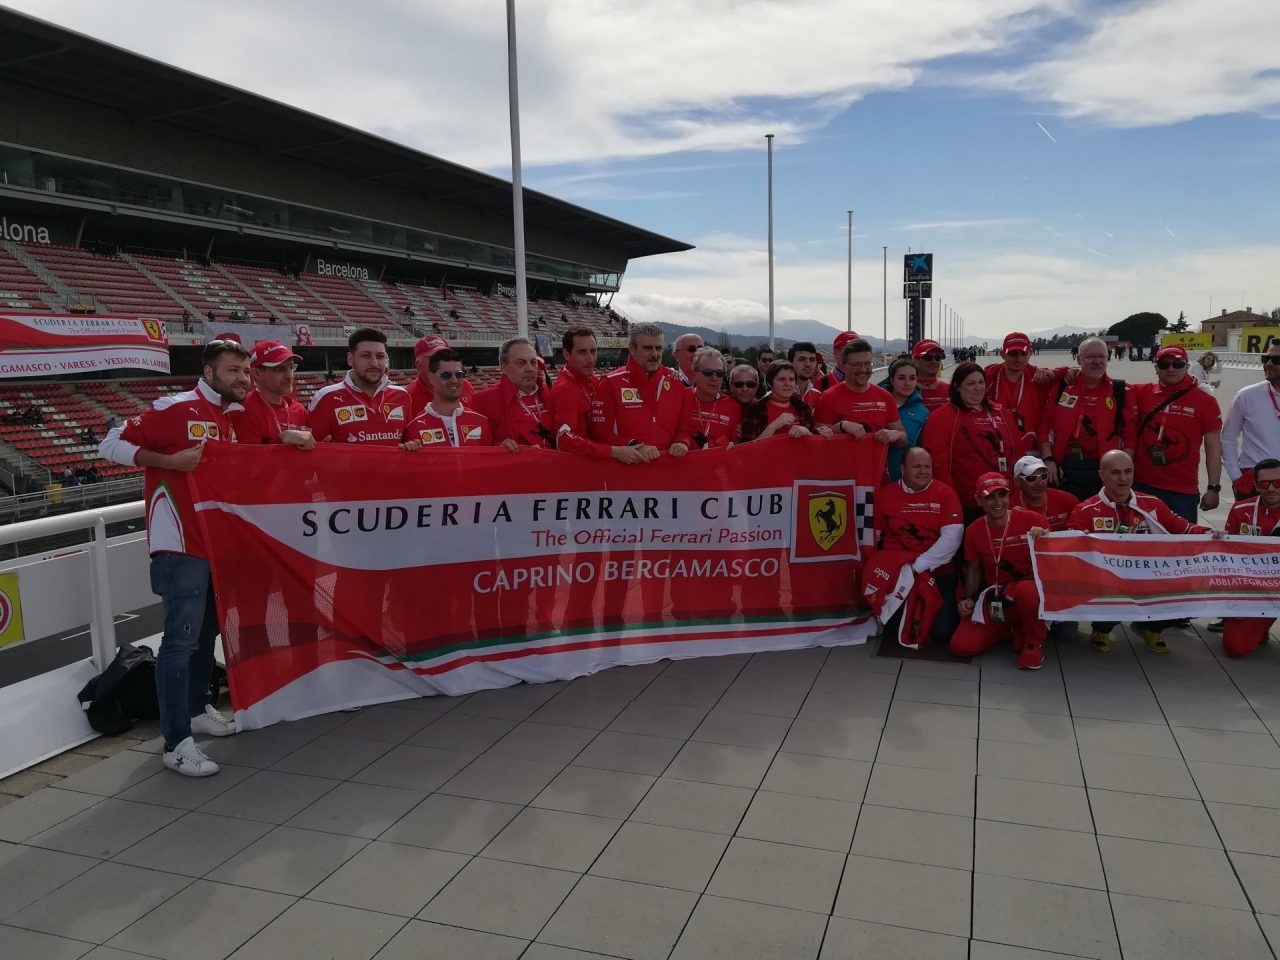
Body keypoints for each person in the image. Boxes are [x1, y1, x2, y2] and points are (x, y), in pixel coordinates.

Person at [98, 339, 247, 777]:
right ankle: (176, 742)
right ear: (208, 372)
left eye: (245, 371)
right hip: (179, 544)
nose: (242, 378)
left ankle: (199, 708)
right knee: (179, 642)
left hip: (215, 544)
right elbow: (109, 444)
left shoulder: (232, 416)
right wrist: (168, 461)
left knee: (205, 636)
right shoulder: (174, 407)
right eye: (233, 370)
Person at [1068, 449, 1218, 654]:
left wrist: (1210, 532)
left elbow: (1183, 527)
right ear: (1102, 475)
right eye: (1115, 472)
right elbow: (1068, 546)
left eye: (1128, 472)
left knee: (1190, 591)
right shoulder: (1086, 510)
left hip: (1149, 576)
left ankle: (1149, 627)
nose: (1123, 478)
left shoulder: (1152, 504)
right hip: (1106, 579)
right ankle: (1101, 628)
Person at [861, 448, 964, 649]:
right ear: (902, 469)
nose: (923, 471)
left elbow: (952, 539)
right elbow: (872, 536)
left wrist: (917, 566)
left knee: (942, 633)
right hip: (895, 573)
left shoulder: (946, 494)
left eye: (927, 466)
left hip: (935, 572)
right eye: (917, 466)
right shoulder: (885, 494)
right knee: (892, 629)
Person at [951, 472, 1051, 670]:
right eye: (990, 497)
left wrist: (1046, 539)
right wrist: (969, 597)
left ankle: (1033, 643)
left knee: (1026, 591)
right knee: (961, 646)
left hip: (1029, 593)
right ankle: (1012, 629)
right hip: (997, 597)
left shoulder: (1034, 521)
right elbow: (973, 568)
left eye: (1002, 495)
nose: (998, 502)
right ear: (978, 500)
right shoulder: (973, 530)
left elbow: (1053, 565)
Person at [1123, 344, 1222, 523]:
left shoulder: (1205, 401)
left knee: (1181, 547)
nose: (1170, 369)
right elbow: (1103, 384)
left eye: (1177, 364)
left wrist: (1213, 488)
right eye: (1164, 364)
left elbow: (1213, 448)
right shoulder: (1141, 392)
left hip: (1181, 491)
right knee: (1139, 545)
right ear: (1156, 368)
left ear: (1186, 366)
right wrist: (1069, 372)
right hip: (1141, 486)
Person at [921, 360, 1021, 523]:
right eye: (971, 383)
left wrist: (1018, 492)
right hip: (968, 502)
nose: (978, 387)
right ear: (958, 386)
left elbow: (1018, 451)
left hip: (1004, 498)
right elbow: (937, 464)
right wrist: (950, 499)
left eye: (981, 382)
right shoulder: (942, 416)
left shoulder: (1001, 412)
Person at [1039, 336, 1126, 503]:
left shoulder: (1119, 390)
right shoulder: (1062, 387)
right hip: (1064, 469)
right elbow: (1045, 427)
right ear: (1079, 359)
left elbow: (1128, 435)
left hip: (1102, 472)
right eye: (1091, 357)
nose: (1097, 361)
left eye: (1102, 356)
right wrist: (1048, 460)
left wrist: (1122, 472)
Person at [550, 327, 656, 463]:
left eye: (593, 351)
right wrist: (614, 452)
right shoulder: (565, 389)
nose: (590, 359)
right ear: (566, 355)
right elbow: (565, 441)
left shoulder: (593, 380)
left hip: (596, 463)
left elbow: (600, 431)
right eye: (582, 352)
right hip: (580, 469)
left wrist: (630, 443)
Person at [307, 328, 415, 447]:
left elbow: (409, 444)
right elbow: (309, 450)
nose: (374, 363)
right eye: (366, 356)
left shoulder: (402, 396)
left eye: (380, 356)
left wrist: (412, 445)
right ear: (350, 359)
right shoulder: (326, 397)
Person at [597, 322, 692, 456]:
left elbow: (684, 429)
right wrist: (633, 445)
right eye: (647, 348)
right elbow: (599, 433)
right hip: (627, 470)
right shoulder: (610, 383)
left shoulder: (675, 382)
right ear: (632, 348)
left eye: (658, 348)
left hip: (667, 469)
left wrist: (682, 442)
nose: (655, 354)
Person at [1221, 459, 1280, 658]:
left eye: (1277, 483)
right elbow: (1228, 555)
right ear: (1255, 485)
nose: (1271, 488)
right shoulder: (1240, 510)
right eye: (1264, 484)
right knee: (1235, 648)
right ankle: (1260, 624)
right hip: (1256, 589)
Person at [814, 338, 907, 448]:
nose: (863, 369)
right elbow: (817, 441)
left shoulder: (885, 397)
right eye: (857, 364)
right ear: (843, 366)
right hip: (839, 465)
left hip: (876, 465)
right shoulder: (827, 398)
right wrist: (841, 426)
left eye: (868, 364)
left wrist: (896, 435)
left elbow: (903, 439)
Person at [472, 337, 556, 450]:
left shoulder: (550, 393)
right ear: (504, 367)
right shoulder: (483, 401)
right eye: (521, 363)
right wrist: (498, 448)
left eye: (533, 362)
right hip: (517, 467)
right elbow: (474, 448)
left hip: (556, 465)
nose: (530, 368)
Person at [1222, 338, 1280, 500]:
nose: (1268, 364)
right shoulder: (1246, 395)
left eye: (1276, 360)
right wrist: (1236, 478)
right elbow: (1228, 438)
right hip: (1255, 482)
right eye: (1265, 358)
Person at [232, 341, 314, 447]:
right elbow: (250, 459)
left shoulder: (299, 410)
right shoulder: (243, 410)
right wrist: (280, 440)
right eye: (280, 369)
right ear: (257, 373)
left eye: (291, 368)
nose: (289, 376)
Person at [984, 331, 1057, 451]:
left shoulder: (1038, 376)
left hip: (1030, 447)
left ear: (1030, 353)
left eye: (1024, 353)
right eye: (1013, 354)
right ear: (1003, 354)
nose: (1019, 359)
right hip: (997, 448)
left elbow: (1068, 373)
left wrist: (1058, 372)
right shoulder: (989, 376)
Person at [404, 348, 491, 448]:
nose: (454, 380)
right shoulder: (415, 427)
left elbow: (490, 461)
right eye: (446, 375)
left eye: (459, 374)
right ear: (431, 378)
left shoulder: (481, 422)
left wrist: (502, 448)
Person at [741, 360, 830, 441]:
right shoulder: (754, 410)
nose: (787, 384)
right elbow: (747, 451)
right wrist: (774, 426)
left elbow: (813, 448)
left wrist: (807, 432)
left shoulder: (803, 408)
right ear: (770, 383)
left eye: (791, 379)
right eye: (781, 379)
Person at [684, 347, 741, 448]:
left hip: (717, 462)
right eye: (708, 372)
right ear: (694, 374)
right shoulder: (681, 398)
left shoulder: (733, 406)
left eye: (719, 374)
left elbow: (735, 444)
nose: (714, 378)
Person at [407, 334, 475, 418]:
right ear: (418, 366)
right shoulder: (407, 397)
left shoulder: (466, 386)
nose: (442, 363)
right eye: (434, 359)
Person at [882, 357, 928, 482]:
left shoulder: (923, 413)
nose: (907, 383)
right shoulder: (876, 404)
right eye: (901, 378)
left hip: (903, 481)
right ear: (892, 380)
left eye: (912, 378)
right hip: (873, 478)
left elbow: (924, 449)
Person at [1010, 455, 1077, 531]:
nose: (1040, 483)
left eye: (1044, 476)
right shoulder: (1010, 508)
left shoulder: (1067, 500)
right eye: (1032, 478)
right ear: (1017, 481)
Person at [911, 339, 951, 411]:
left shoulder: (950, 391)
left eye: (937, 358)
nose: (934, 361)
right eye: (928, 358)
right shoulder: (904, 391)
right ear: (915, 361)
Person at [787, 341, 822, 408]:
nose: (808, 364)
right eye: (802, 359)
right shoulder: (777, 395)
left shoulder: (817, 396)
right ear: (790, 363)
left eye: (812, 360)